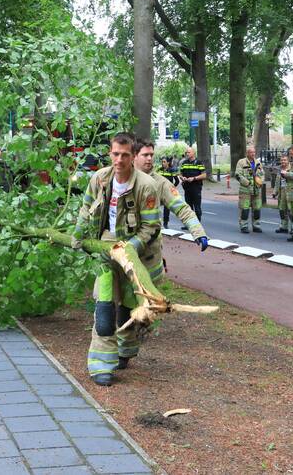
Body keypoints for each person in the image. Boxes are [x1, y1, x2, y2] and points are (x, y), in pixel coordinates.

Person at [71, 132, 161, 387]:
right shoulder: (99, 179)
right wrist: (77, 236)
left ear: (133, 156)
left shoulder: (146, 186)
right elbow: (85, 209)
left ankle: (125, 350)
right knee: (104, 308)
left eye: (125, 155)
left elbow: (151, 227)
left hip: (135, 254)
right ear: (110, 154)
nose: (119, 160)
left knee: (128, 309)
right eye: (115, 154)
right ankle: (101, 365)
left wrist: (129, 249)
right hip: (105, 251)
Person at [122, 139, 208, 365]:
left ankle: (127, 349)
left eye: (152, 154)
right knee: (116, 302)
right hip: (121, 252)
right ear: (134, 156)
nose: (150, 159)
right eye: (145, 155)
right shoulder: (120, 179)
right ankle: (116, 346)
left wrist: (197, 231)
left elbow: (181, 208)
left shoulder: (160, 183)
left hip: (148, 255)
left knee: (143, 305)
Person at [234, 146, 265, 233]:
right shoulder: (241, 162)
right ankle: (244, 226)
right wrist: (247, 182)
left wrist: (260, 181)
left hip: (257, 190)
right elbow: (238, 175)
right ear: (247, 153)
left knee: (257, 209)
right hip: (245, 191)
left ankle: (256, 226)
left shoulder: (258, 163)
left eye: (254, 152)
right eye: (251, 152)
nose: (253, 154)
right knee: (245, 209)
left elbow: (262, 174)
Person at [178, 146, 207, 222]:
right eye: (186, 152)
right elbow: (180, 174)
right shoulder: (184, 163)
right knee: (188, 207)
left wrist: (194, 178)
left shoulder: (198, 163)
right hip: (187, 188)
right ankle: (190, 224)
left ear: (193, 153)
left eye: (189, 152)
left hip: (196, 187)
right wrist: (182, 178)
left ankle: (198, 224)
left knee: (197, 207)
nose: (187, 154)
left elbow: (204, 175)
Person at [155, 156, 179, 228]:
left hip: (167, 192)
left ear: (168, 162)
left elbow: (177, 181)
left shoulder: (171, 170)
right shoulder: (159, 170)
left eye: (164, 162)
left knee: (166, 208)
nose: (162, 163)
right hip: (159, 191)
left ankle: (165, 223)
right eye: (162, 162)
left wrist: (172, 187)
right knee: (155, 207)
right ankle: (156, 223)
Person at [275, 155, 291, 235]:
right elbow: (277, 182)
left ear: (288, 161)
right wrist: (275, 192)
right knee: (282, 210)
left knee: (291, 210)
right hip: (282, 191)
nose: (283, 162)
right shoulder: (279, 169)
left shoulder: (292, 168)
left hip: (289, 192)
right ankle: (284, 226)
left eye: (285, 160)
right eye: (282, 160)